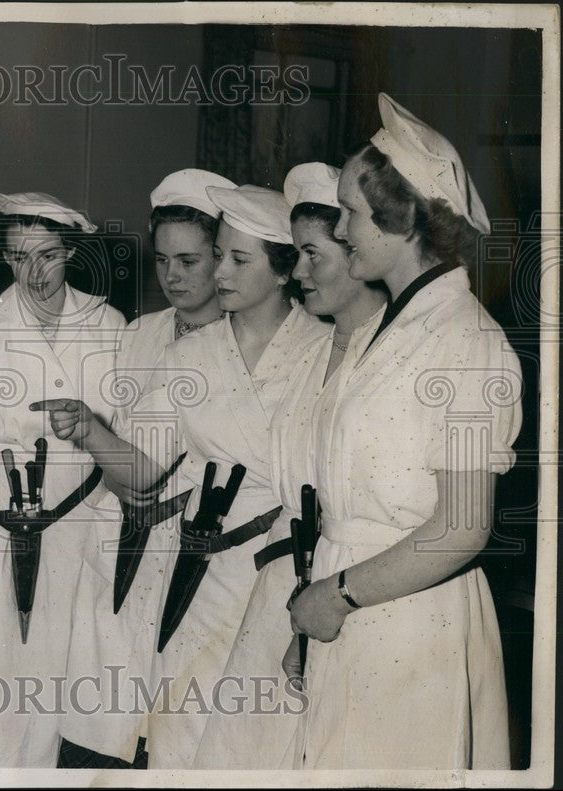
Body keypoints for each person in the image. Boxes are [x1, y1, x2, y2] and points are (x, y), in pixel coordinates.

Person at [38, 184, 330, 768]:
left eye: (237, 259)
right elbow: (141, 472)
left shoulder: (323, 351)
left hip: (281, 573)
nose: (220, 271)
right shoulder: (188, 358)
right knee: (181, 738)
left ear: (282, 271)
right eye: (218, 254)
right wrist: (89, 431)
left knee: (258, 745)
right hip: (200, 572)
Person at [285, 93, 522, 769]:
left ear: (401, 220)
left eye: (351, 214)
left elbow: (464, 527)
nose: (340, 228)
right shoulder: (379, 328)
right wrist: (313, 611)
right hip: (345, 615)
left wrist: (339, 593)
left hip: (415, 628)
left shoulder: (469, 342)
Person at [192, 162, 387, 769]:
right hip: (284, 584)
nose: (299, 272)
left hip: (347, 592)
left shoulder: (387, 357)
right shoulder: (315, 357)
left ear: (358, 254)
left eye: (313, 254)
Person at [0, 192, 127, 767]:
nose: (35, 273)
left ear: (71, 251)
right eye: (20, 257)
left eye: (47, 255)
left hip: (84, 524)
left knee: (62, 685)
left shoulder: (110, 325)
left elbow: (122, 443)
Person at [57, 167, 233, 769]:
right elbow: (120, 451)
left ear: (223, 258)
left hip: (194, 558)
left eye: (189, 260)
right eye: (162, 261)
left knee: (169, 740)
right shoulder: (140, 334)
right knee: (96, 732)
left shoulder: (242, 346)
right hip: (118, 545)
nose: (174, 276)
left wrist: (93, 433)